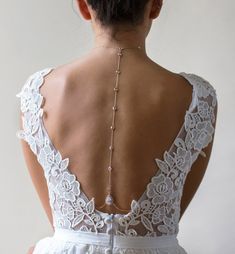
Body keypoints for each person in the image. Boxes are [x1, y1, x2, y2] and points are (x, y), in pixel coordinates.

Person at [16, 0, 218, 253]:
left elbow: (61, 225)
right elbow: (168, 217)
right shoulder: (198, 98)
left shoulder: (38, 91)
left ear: (83, 7)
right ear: (155, 6)